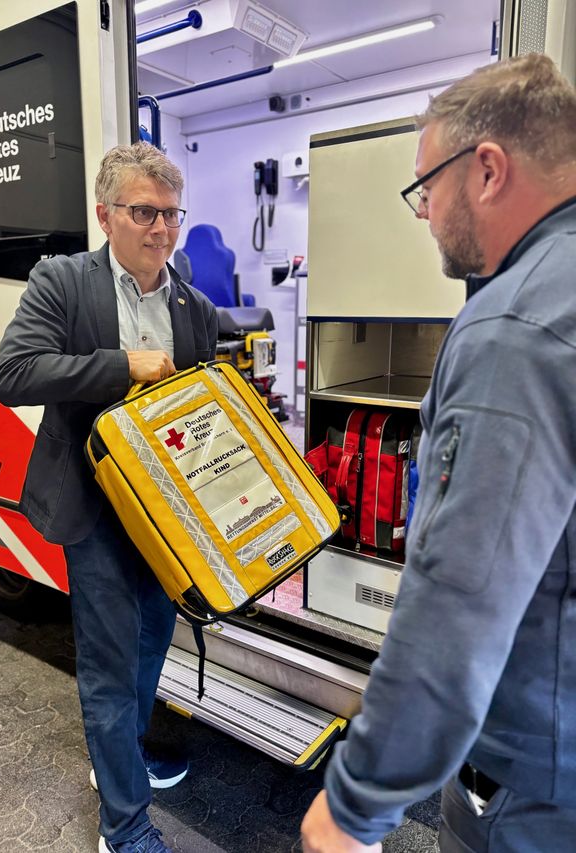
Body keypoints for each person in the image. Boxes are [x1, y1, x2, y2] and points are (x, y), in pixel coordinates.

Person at [301, 52, 576, 853]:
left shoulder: (514, 330)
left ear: (487, 170)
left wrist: (355, 802)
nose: (423, 211)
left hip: (534, 781)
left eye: (427, 184)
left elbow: (460, 598)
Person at [0, 142, 218, 853]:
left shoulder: (194, 305)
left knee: (151, 641)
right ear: (105, 214)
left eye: (172, 214)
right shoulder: (63, 281)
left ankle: (122, 753)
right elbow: (15, 373)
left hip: (164, 515)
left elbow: (200, 410)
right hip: (95, 510)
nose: (161, 228)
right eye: (144, 212)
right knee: (108, 663)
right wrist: (123, 366)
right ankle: (123, 825)